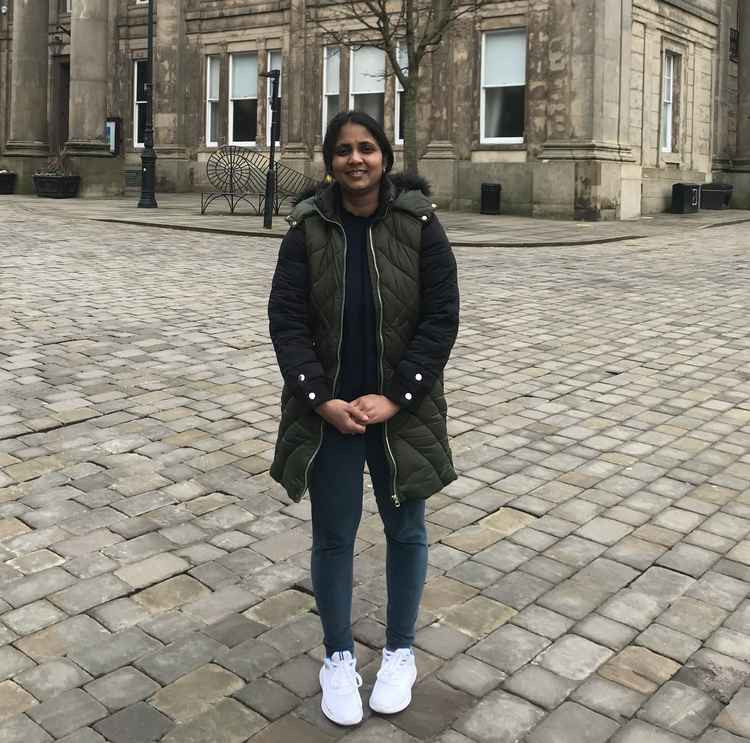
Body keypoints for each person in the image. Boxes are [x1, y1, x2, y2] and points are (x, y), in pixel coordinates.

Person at [267, 110, 459, 726]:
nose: (356, 159)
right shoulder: (306, 229)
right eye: (344, 150)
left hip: (402, 411)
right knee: (333, 536)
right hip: (327, 412)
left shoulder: (420, 223)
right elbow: (287, 320)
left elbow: (441, 317)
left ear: (385, 156)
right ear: (330, 161)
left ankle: (400, 650)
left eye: (367, 148)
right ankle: (339, 657)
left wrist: (400, 396)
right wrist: (318, 398)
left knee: (406, 532)